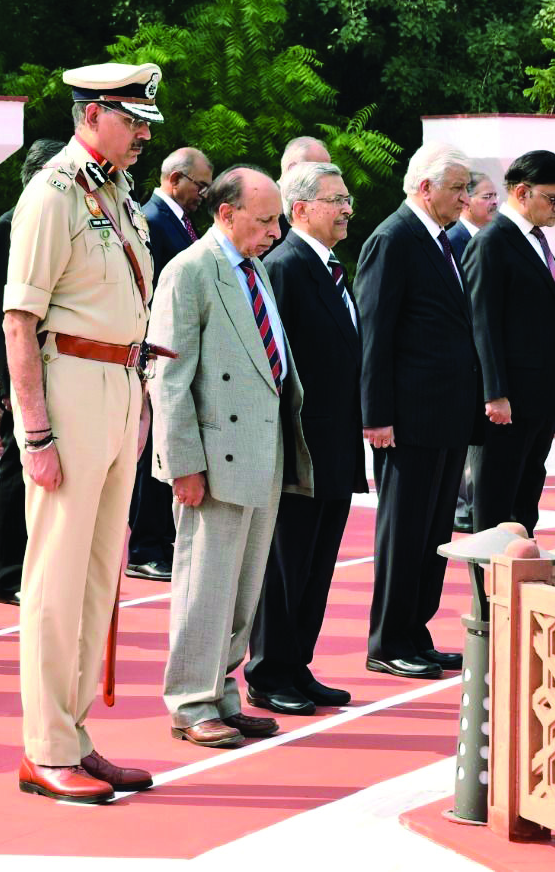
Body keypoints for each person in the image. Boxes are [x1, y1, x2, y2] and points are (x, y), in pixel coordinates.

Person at [5, 62, 165, 803]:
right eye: (132, 121)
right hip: (68, 384)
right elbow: (20, 320)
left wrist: (136, 400)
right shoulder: (55, 193)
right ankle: (44, 746)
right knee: (56, 579)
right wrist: (34, 430)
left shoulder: (115, 193)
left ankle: (73, 734)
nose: (141, 136)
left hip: (117, 384)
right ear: (93, 113)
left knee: (101, 578)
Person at [152, 165, 312, 746]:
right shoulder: (190, 270)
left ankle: (221, 692)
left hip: (262, 449)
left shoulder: (255, 268)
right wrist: (184, 464)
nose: (275, 230)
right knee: (205, 585)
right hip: (214, 459)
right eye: (266, 219)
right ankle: (191, 702)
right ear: (226, 214)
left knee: (243, 588)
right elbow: (169, 377)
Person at [356, 141, 478, 681]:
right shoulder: (393, 239)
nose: (465, 197)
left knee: (432, 534)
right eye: (457, 187)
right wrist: (376, 415)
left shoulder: (442, 240)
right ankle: (388, 638)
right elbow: (376, 334)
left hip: (445, 415)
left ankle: (415, 632)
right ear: (424, 188)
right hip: (408, 418)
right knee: (404, 532)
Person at [245, 161, 361, 715]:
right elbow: (273, 365)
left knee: (317, 562)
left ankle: (298, 663)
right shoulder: (286, 267)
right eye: (335, 200)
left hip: (334, 440)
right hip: (299, 444)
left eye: (346, 200)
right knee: (287, 561)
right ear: (300, 210)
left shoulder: (333, 266)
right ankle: (269, 670)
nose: (346, 210)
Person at [462, 150, 555, 535]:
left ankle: (516, 590)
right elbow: (483, 324)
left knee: (525, 506)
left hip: (541, 402)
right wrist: (494, 394)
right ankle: (488, 594)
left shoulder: (537, 242)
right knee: (494, 510)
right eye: (553, 198)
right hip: (506, 406)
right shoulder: (492, 242)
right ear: (523, 192)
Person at [0, 138, 66, 606]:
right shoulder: (10, 225)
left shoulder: (54, 226)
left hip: (58, 369)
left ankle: (38, 567)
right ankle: (9, 572)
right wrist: (6, 379)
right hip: (23, 370)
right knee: (19, 469)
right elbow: (3, 311)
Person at [128, 146, 212, 583]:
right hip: (157, 353)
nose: (204, 194)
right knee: (153, 455)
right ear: (175, 178)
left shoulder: (179, 221)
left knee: (167, 449)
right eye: (200, 185)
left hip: (177, 353)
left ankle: (160, 540)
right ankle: (144, 545)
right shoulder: (152, 220)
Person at [447, 171, 499, 531]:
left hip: (481, 362)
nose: (495, 202)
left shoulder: (486, 239)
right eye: (486, 196)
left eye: (497, 195)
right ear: (465, 200)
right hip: (466, 362)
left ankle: (471, 504)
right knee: (470, 450)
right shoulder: (455, 241)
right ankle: (465, 506)